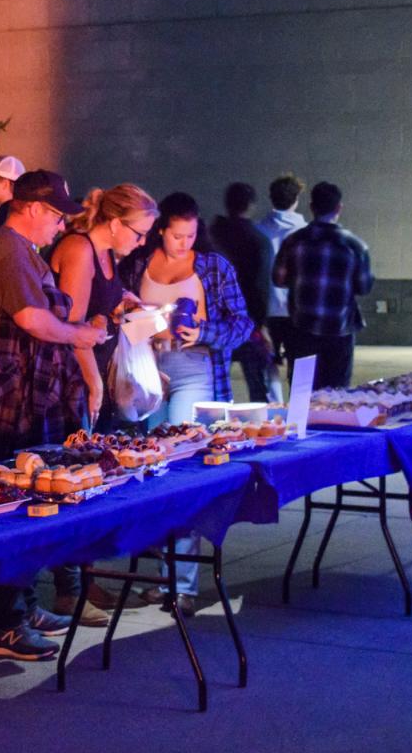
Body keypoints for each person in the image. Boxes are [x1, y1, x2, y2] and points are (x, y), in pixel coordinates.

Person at [0, 169, 107, 661]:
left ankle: (26, 605)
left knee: (29, 503)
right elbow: (31, 320)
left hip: (26, 398)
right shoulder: (6, 248)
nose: (60, 227)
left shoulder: (25, 252)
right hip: (4, 402)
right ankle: (5, 625)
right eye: (58, 216)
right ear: (34, 208)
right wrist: (79, 335)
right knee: (11, 508)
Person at [119, 192, 254, 616]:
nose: (184, 243)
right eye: (177, 235)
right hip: (149, 370)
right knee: (150, 468)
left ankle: (184, 585)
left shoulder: (214, 267)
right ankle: (161, 575)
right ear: (161, 230)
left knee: (181, 464)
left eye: (191, 235)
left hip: (196, 369)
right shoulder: (139, 263)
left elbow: (243, 323)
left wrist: (205, 332)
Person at [47, 183, 158, 625]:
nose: (142, 241)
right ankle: (68, 592)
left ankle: (83, 582)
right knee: (72, 482)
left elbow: (98, 310)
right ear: (114, 223)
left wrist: (125, 309)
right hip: (68, 382)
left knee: (91, 482)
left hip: (94, 377)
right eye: (138, 231)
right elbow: (72, 329)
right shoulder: (78, 250)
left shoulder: (107, 255)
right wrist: (93, 385)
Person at [272, 181, 374, 389]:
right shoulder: (355, 245)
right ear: (339, 208)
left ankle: (302, 423)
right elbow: (364, 287)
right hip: (339, 330)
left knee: (302, 394)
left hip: (302, 329)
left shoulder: (293, 241)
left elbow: (278, 279)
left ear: (311, 207)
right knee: (335, 395)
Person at [211, 182, 279, 402]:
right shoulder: (259, 240)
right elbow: (260, 287)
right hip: (247, 321)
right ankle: (262, 428)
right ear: (251, 205)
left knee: (215, 385)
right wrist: (261, 324)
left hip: (216, 320)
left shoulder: (212, 236)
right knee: (258, 385)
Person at [258, 174, 307, 371]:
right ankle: (301, 403)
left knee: (268, 371)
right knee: (300, 367)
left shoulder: (259, 230)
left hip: (266, 308)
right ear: (296, 200)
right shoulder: (306, 231)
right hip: (297, 308)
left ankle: (273, 402)